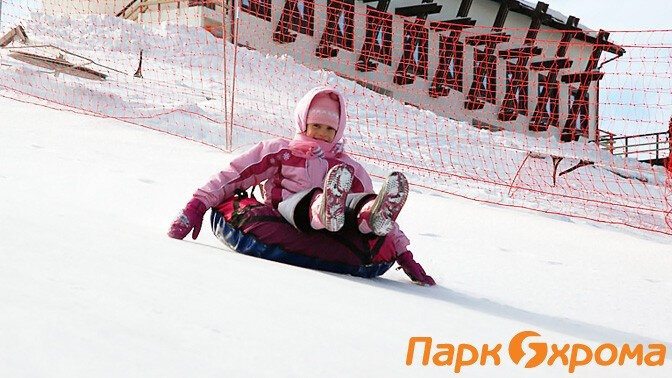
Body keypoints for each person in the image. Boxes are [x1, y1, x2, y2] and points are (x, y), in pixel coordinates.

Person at [168, 86, 435, 286]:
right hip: (288, 211)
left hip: (338, 224)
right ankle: (324, 208)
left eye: (329, 129)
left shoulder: (348, 167)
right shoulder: (281, 151)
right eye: (316, 125)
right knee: (311, 200)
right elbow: (235, 175)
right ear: (303, 122)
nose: (322, 133)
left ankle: (367, 221)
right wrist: (197, 205)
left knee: (360, 203)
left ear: (338, 131)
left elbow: (375, 200)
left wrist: (403, 253)